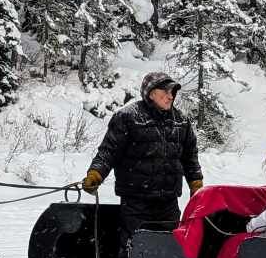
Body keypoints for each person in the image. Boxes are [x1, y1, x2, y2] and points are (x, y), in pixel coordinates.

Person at [80, 71, 204, 231]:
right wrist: (96, 173)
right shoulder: (127, 117)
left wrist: (196, 184)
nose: (171, 96)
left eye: (173, 92)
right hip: (136, 202)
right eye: (166, 91)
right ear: (151, 93)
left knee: (169, 250)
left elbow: (190, 157)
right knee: (134, 249)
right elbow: (109, 151)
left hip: (168, 202)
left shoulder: (181, 121)